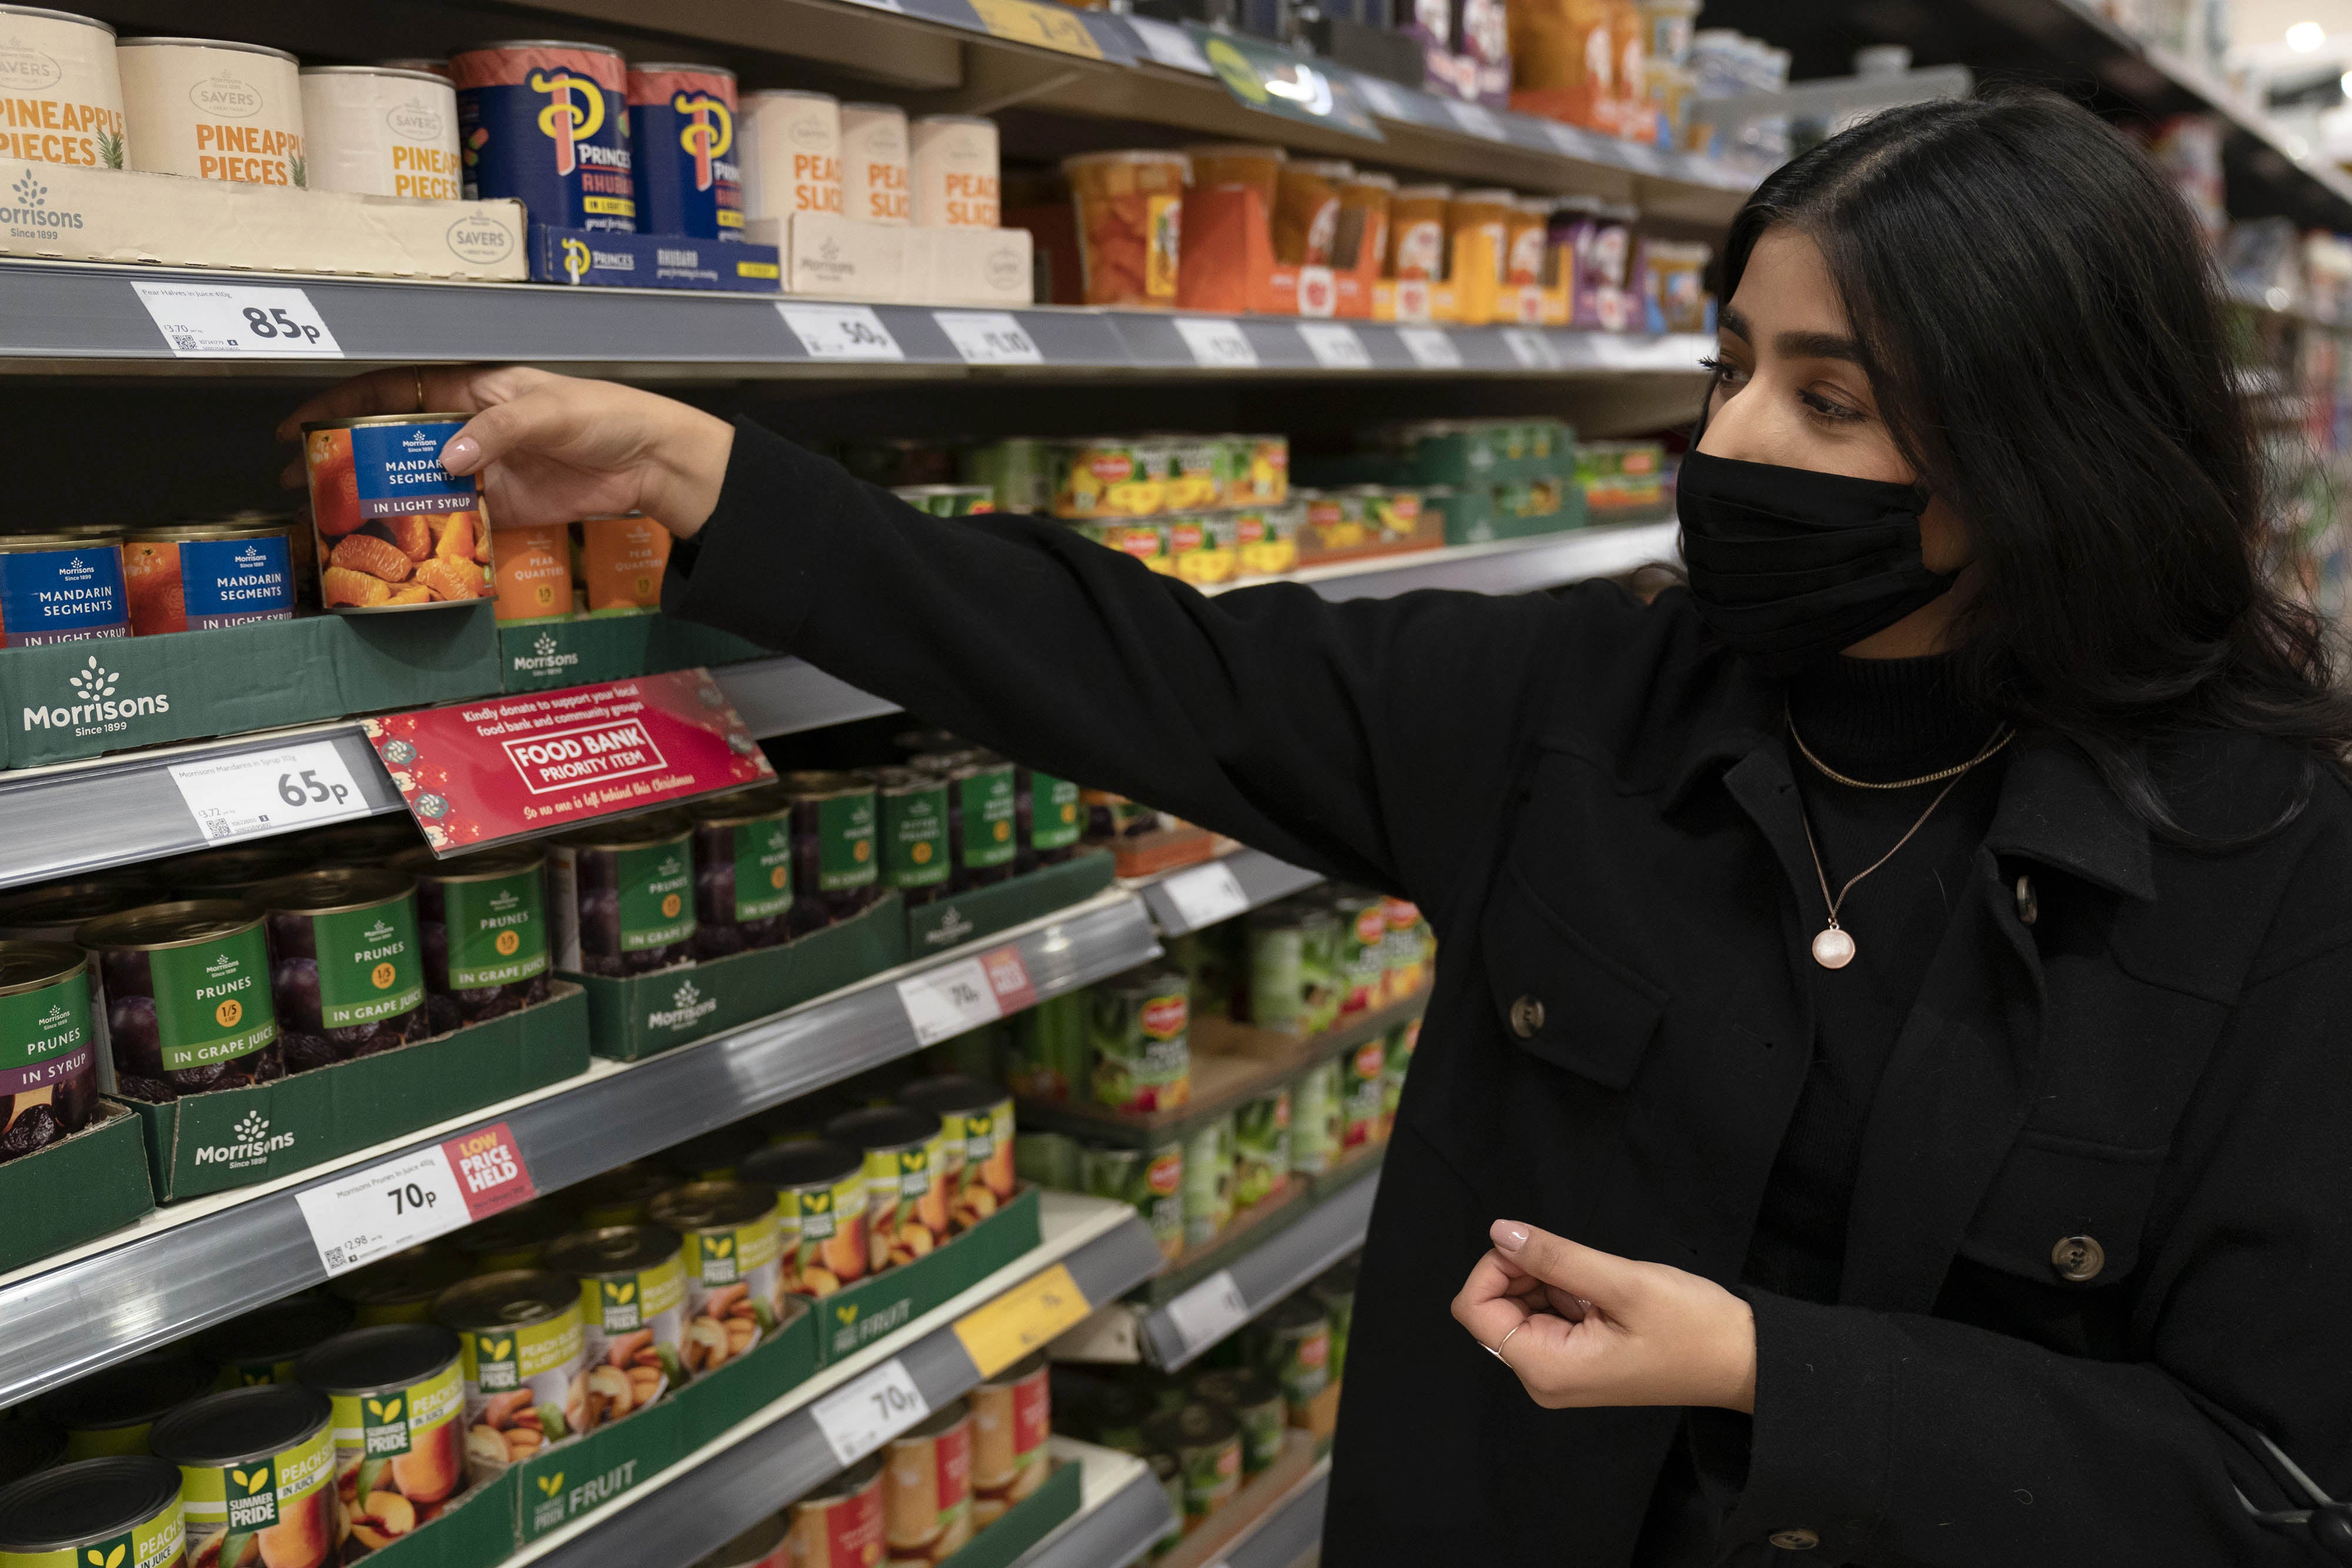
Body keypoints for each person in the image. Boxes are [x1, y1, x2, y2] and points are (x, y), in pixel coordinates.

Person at [282, 90, 2352, 1565]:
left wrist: (1761, 1369)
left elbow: (2273, 1472)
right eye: (1728, 365)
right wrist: (701, 465)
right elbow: (1143, 663)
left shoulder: (2277, 855)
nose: (1728, 441)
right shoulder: (1584, 714)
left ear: (2050, 440)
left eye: (1833, 398)